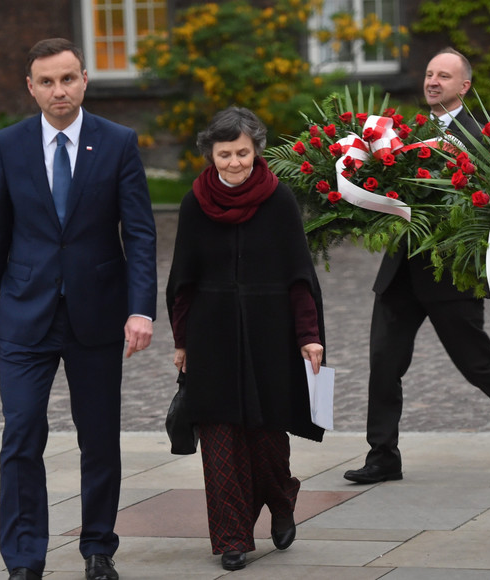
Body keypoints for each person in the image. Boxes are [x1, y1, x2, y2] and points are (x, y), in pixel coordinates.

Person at [0, 38, 157, 580]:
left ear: (84, 80)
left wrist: (141, 309)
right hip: (25, 314)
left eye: (67, 79)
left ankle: (98, 547)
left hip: (97, 312)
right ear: (30, 87)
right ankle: (24, 558)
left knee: (99, 437)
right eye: (46, 81)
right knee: (22, 433)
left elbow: (140, 234)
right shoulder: (9, 143)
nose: (58, 90)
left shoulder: (117, 142)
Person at [343, 47, 490, 485]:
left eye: (444, 76)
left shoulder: (481, 138)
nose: (433, 81)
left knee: (475, 362)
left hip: (450, 272)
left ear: (464, 86)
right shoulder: (404, 132)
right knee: (384, 361)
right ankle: (383, 455)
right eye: (429, 73)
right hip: (401, 269)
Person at [166, 106, 326, 572]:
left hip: (270, 333)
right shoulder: (195, 201)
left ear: (256, 150)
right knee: (219, 439)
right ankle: (232, 538)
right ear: (209, 155)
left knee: (267, 439)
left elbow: (299, 275)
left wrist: (309, 336)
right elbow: (183, 280)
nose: (234, 162)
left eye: (242, 152)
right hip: (211, 334)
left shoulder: (280, 200)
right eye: (224, 154)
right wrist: (182, 341)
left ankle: (281, 497)